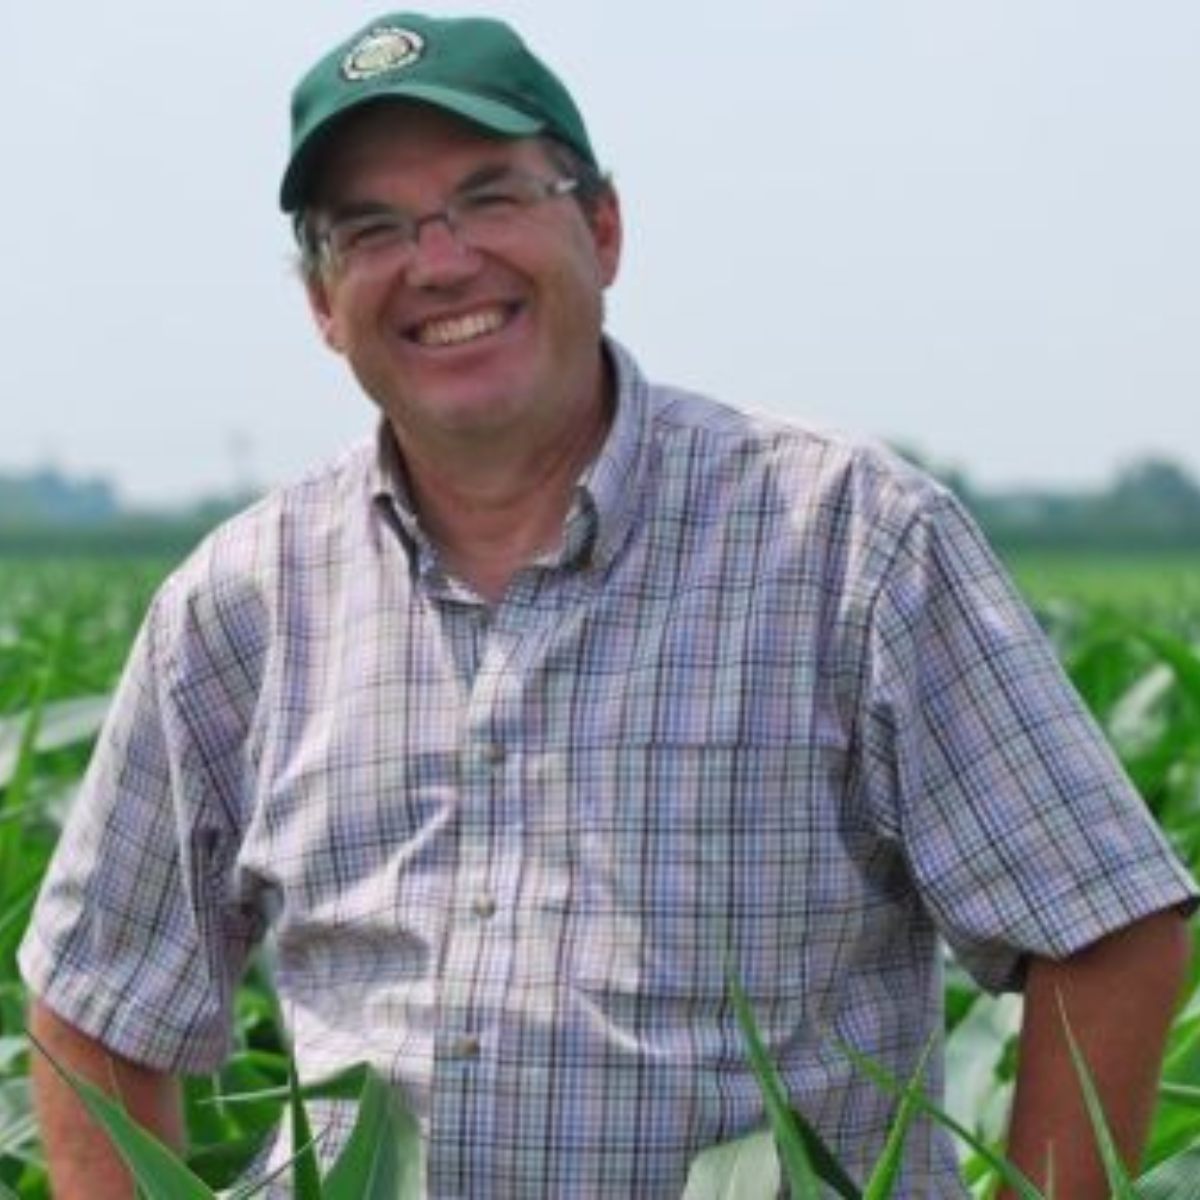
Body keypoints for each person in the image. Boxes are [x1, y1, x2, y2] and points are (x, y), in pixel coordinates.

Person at [21, 12, 1197, 1198]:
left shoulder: (849, 540)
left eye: (489, 199)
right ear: (324, 302)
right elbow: (95, 1001)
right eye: (371, 230)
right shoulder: (239, 603)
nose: (439, 261)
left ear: (603, 228)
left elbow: (1106, 932)